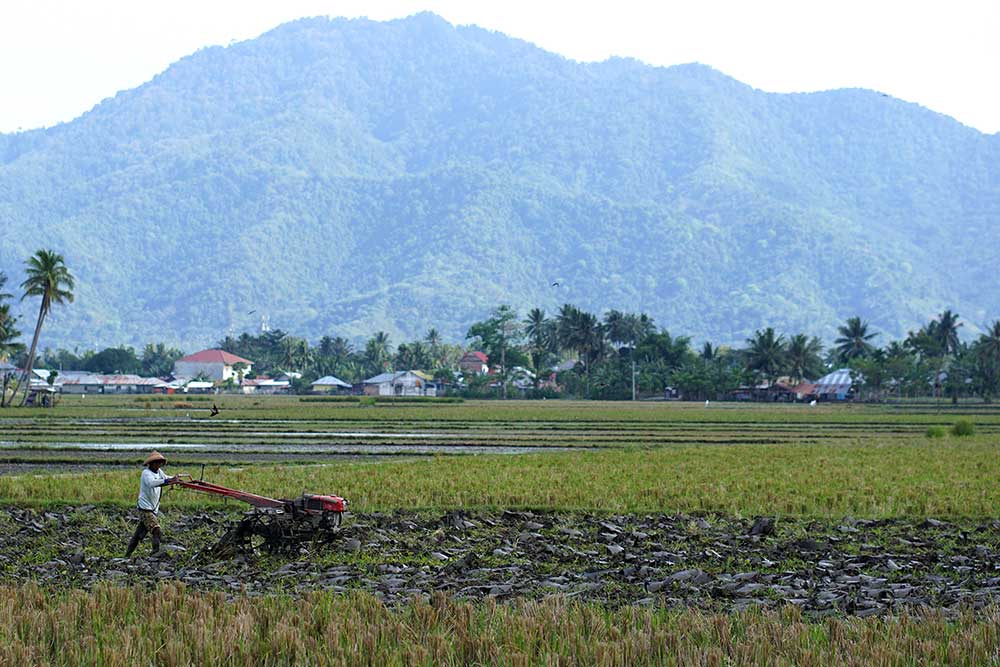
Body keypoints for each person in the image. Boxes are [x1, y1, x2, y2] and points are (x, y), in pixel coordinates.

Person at [124, 451, 178, 556]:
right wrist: (167, 481)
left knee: (138, 535)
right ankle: (155, 554)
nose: (158, 465)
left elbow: (166, 477)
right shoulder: (146, 473)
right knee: (156, 530)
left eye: (160, 463)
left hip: (153, 509)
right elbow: (151, 483)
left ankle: (127, 555)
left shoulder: (159, 472)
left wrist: (176, 479)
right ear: (150, 463)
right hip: (145, 508)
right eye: (156, 463)